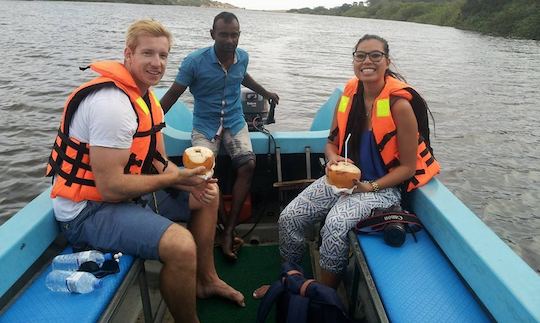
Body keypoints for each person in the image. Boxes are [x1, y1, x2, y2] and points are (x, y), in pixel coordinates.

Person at [45, 19, 244, 323]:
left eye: (163, 56)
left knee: (208, 193)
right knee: (181, 245)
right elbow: (110, 187)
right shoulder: (112, 105)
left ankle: (206, 280)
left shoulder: (147, 98)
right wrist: (174, 178)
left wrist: (189, 181)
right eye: (147, 54)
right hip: (88, 210)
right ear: (128, 54)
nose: (157, 63)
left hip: (123, 196)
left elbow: (157, 161)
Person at [254, 34, 440, 297]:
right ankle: (290, 279)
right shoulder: (349, 96)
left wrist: (368, 187)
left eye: (375, 55)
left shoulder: (400, 106)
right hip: (341, 179)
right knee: (290, 217)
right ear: (354, 60)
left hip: (380, 188)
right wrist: (334, 159)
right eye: (360, 55)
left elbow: (407, 168)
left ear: (387, 61)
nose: (368, 61)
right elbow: (330, 143)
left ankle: (321, 296)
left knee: (335, 224)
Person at [160, 11, 279, 261]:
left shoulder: (242, 57)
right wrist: (147, 123)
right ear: (212, 34)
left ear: (239, 36)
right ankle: (223, 228)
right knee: (204, 174)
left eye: (234, 35)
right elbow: (172, 95)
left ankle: (229, 230)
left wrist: (265, 92)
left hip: (235, 121)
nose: (229, 40)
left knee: (248, 164)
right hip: (205, 124)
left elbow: (243, 77)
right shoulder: (194, 62)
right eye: (224, 34)